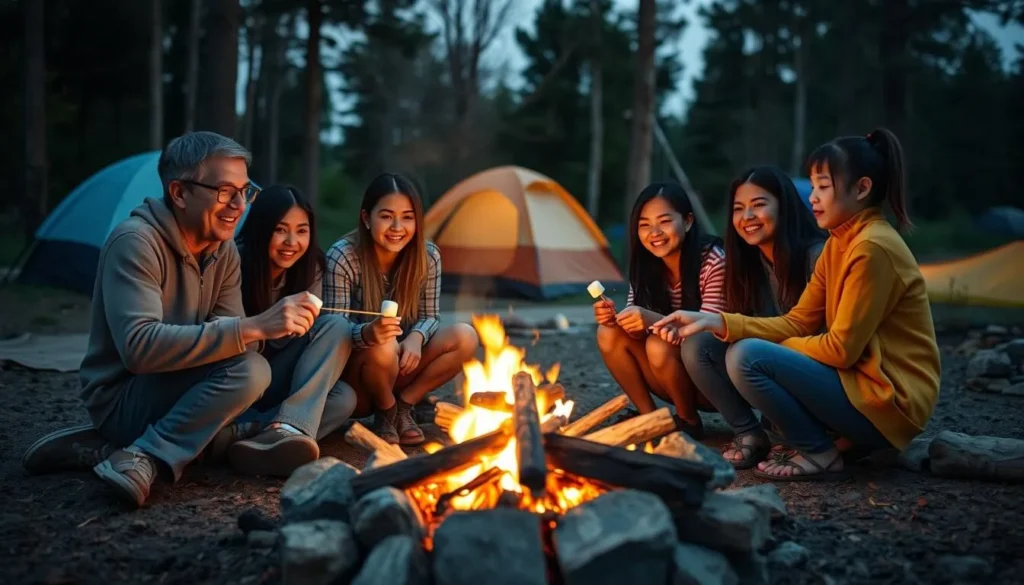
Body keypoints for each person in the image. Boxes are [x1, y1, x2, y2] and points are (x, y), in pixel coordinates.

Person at [21, 132, 323, 506]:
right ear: (179, 193)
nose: (239, 206)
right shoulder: (135, 242)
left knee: (260, 372)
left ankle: (110, 449)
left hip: (184, 385)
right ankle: (143, 453)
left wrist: (254, 333)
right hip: (125, 396)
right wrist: (257, 325)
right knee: (251, 372)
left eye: (245, 192)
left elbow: (234, 344)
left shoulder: (223, 250)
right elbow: (140, 350)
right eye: (225, 191)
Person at [652, 127, 940, 482]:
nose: (814, 197)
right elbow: (798, 321)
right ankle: (770, 434)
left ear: (862, 189)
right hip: (857, 387)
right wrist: (717, 322)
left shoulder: (871, 248)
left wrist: (764, 348)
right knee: (731, 347)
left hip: (889, 402)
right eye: (813, 187)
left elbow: (840, 350)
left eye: (824, 187)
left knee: (747, 356)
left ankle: (818, 451)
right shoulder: (841, 242)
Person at [680, 165, 826, 468]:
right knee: (698, 344)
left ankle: (808, 438)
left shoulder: (818, 256)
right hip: (768, 367)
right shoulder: (748, 265)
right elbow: (742, 325)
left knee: (747, 351)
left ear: (784, 207)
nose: (747, 217)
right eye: (738, 208)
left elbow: (827, 339)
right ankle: (750, 433)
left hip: (819, 373)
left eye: (758, 205)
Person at [323, 173, 478, 446]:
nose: (397, 227)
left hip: (403, 363)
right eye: (386, 216)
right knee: (384, 344)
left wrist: (416, 338)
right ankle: (385, 410)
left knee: (466, 336)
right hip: (358, 378)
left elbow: (430, 315)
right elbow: (332, 330)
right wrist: (369, 334)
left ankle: (404, 406)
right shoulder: (344, 255)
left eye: (407, 217)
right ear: (365, 218)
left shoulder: (428, 256)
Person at [232, 184, 358, 477]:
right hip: (242, 378)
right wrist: (271, 323)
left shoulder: (311, 267)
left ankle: (274, 432)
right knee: (258, 371)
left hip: (282, 378)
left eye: (302, 231)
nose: (292, 242)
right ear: (262, 228)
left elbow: (307, 340)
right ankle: (260, 433)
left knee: (344, 398)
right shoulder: (235, 263)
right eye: (281, 230)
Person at [594, 181, 726, 438]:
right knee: (607, 333)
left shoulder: (714, 261)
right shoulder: (645, 266)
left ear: (687, 222)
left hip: (713, 379)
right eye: (644, 224)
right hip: (670, 375)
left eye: (664, 221)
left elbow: (709, 333)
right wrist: (617, 320)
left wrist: (651, 320)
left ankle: (688, 422)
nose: (654, 232)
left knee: (658, 344)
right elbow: (635, 332)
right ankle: (651, 420)